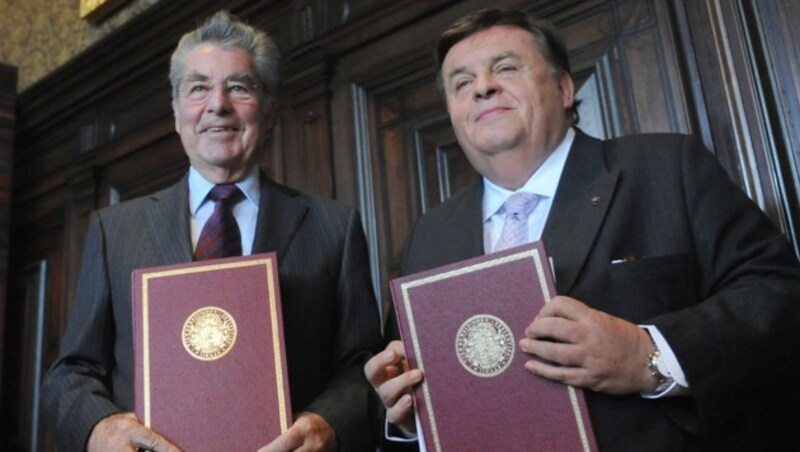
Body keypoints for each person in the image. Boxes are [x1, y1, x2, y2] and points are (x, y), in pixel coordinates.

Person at [365, 8, 800, 451]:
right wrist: (407, 420)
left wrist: (649, 356)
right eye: (461, 83)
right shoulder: (429, 236)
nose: (482, 87)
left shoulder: (666, 168)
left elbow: (780, 296)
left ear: (564, 87)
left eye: (506, 68)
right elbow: (407, 388)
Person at [41, 11, 382, 452]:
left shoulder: (334, 226)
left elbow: (362, 365)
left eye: (239, 87)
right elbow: (71, 371)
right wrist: (98, 429)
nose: (217, 104)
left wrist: (326, 424)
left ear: (270, 110)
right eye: (198, 88)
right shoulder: (115, 230)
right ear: (177, 112)